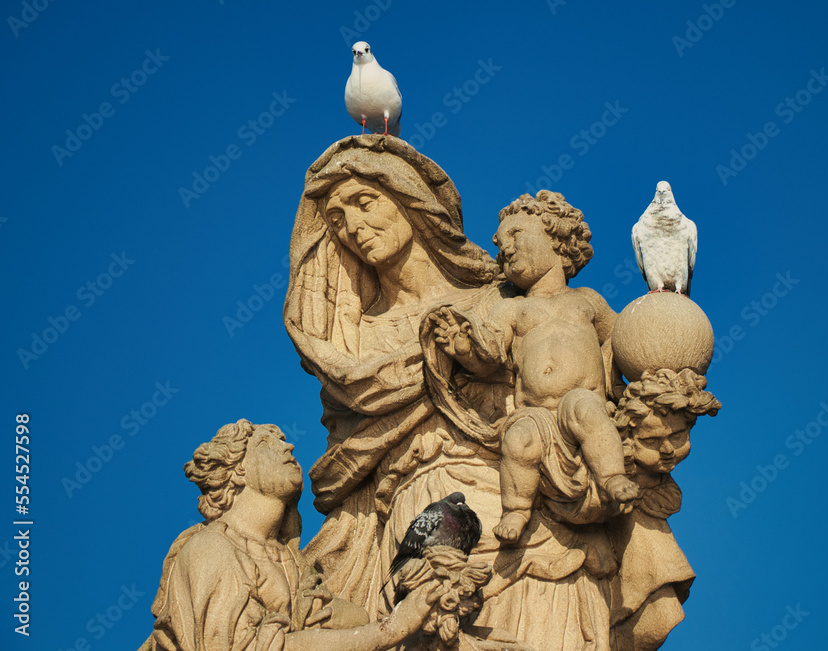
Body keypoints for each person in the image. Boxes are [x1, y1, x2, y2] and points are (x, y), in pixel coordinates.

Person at [283, 135, 510, 617]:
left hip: (509, 504)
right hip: (406, 515)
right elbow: (347, 463)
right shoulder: (352, 347)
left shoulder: (494, 302)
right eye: (338, 220)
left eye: (365, 203)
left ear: (410, 198)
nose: (353, 228)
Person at [429, 191, 639, 543]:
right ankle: (516, 509)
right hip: (535, 412)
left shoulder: (586, 301)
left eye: (516, 235)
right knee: (519, 441)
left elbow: (622, 339)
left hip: (580, 398)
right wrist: (465, 349)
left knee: (589, 413)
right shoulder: (512, 309)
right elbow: (490, 353)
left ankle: (613, 477)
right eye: (500, 244)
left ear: (557, 239)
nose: (505, 249)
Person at [142, 419, 444, 651]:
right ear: (237, 470)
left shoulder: (294, 564)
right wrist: (389, 630)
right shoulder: (210, 549)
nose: (288, 448)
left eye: (283, 442)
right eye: (267, 444)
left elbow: (354, 620)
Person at [607, 368, 720, 651]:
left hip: (648, 540)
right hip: (624, 545)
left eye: (679, 436)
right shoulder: (615, 465)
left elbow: (671, 499)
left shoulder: (657, 478)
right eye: (651, 441)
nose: (668, 450)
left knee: (660, 616)